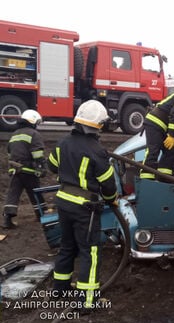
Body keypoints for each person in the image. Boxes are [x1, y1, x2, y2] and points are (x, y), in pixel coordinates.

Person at [47, 100, 118, 311]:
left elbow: (52, 167)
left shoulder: (62, 143)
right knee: (90, 251)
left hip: (64, 201)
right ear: (98, 125)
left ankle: (59, 291)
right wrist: (112, 198)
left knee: (67, 245)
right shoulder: (97, 151)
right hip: (85, 207)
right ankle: (87, 302)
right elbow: (108, 185)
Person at [2, 109, 47, 229]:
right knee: (35, 192)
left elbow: (10, 152)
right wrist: (41, 167)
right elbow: (37, 153)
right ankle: (41, 215)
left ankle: (7, 219)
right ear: (32, 121)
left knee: (13, 194)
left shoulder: (14, 134)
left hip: (15, 170)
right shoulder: (33, 134)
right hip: (29, 170)